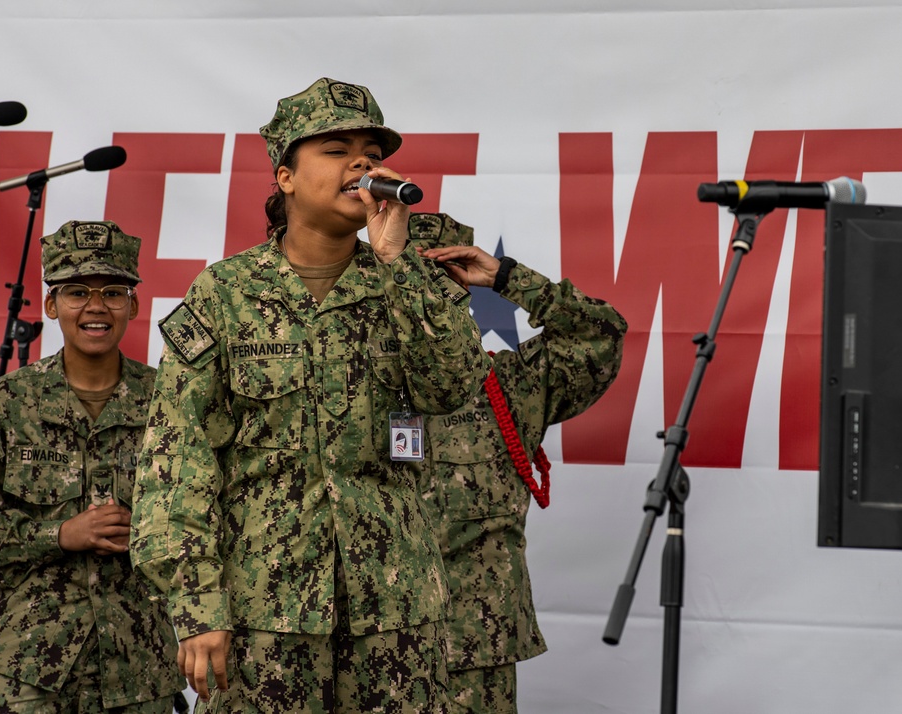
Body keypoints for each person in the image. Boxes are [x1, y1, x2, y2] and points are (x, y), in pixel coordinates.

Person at [130, 78, 490, 714]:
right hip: (264, 613)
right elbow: (176, 458)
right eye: (336, 148)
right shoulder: (227, 292)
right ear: (285, 177)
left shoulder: (406, 279)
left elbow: (452, 387)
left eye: (370, 151)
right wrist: (196, 604)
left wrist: (400, 264)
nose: (362, 163)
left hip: (397, 610)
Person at [0, 220, 184, 713]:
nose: (96, 307)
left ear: (133, 305)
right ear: (51, 306)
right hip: (24, 673)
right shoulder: (6, 407)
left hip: (139, 673)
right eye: (76, 292)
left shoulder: (170, 404)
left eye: (113, 292)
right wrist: (59, 534)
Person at [409, 212, 627, 713]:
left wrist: (507, 278)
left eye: (435, 278)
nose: (419, 297)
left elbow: (601, 336)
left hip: (473, 650)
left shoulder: (510, 385)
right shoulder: (338, 381)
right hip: (364, 646)